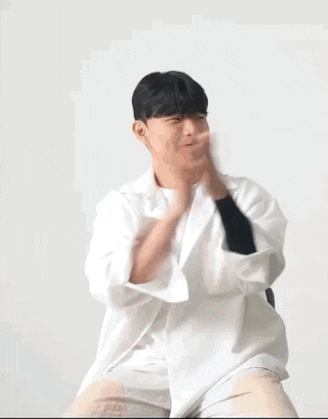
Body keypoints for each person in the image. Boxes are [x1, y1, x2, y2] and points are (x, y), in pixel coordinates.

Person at [65, 71, 298, 417]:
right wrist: (176, 211)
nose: (191, 130)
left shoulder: (245, 195)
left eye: (198, 117)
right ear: (141, 131)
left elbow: (257, 271)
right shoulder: (123, 205)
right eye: (175, 119)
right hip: (141, 367)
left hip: (233, 361)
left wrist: (217, 191)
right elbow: (115, 287)